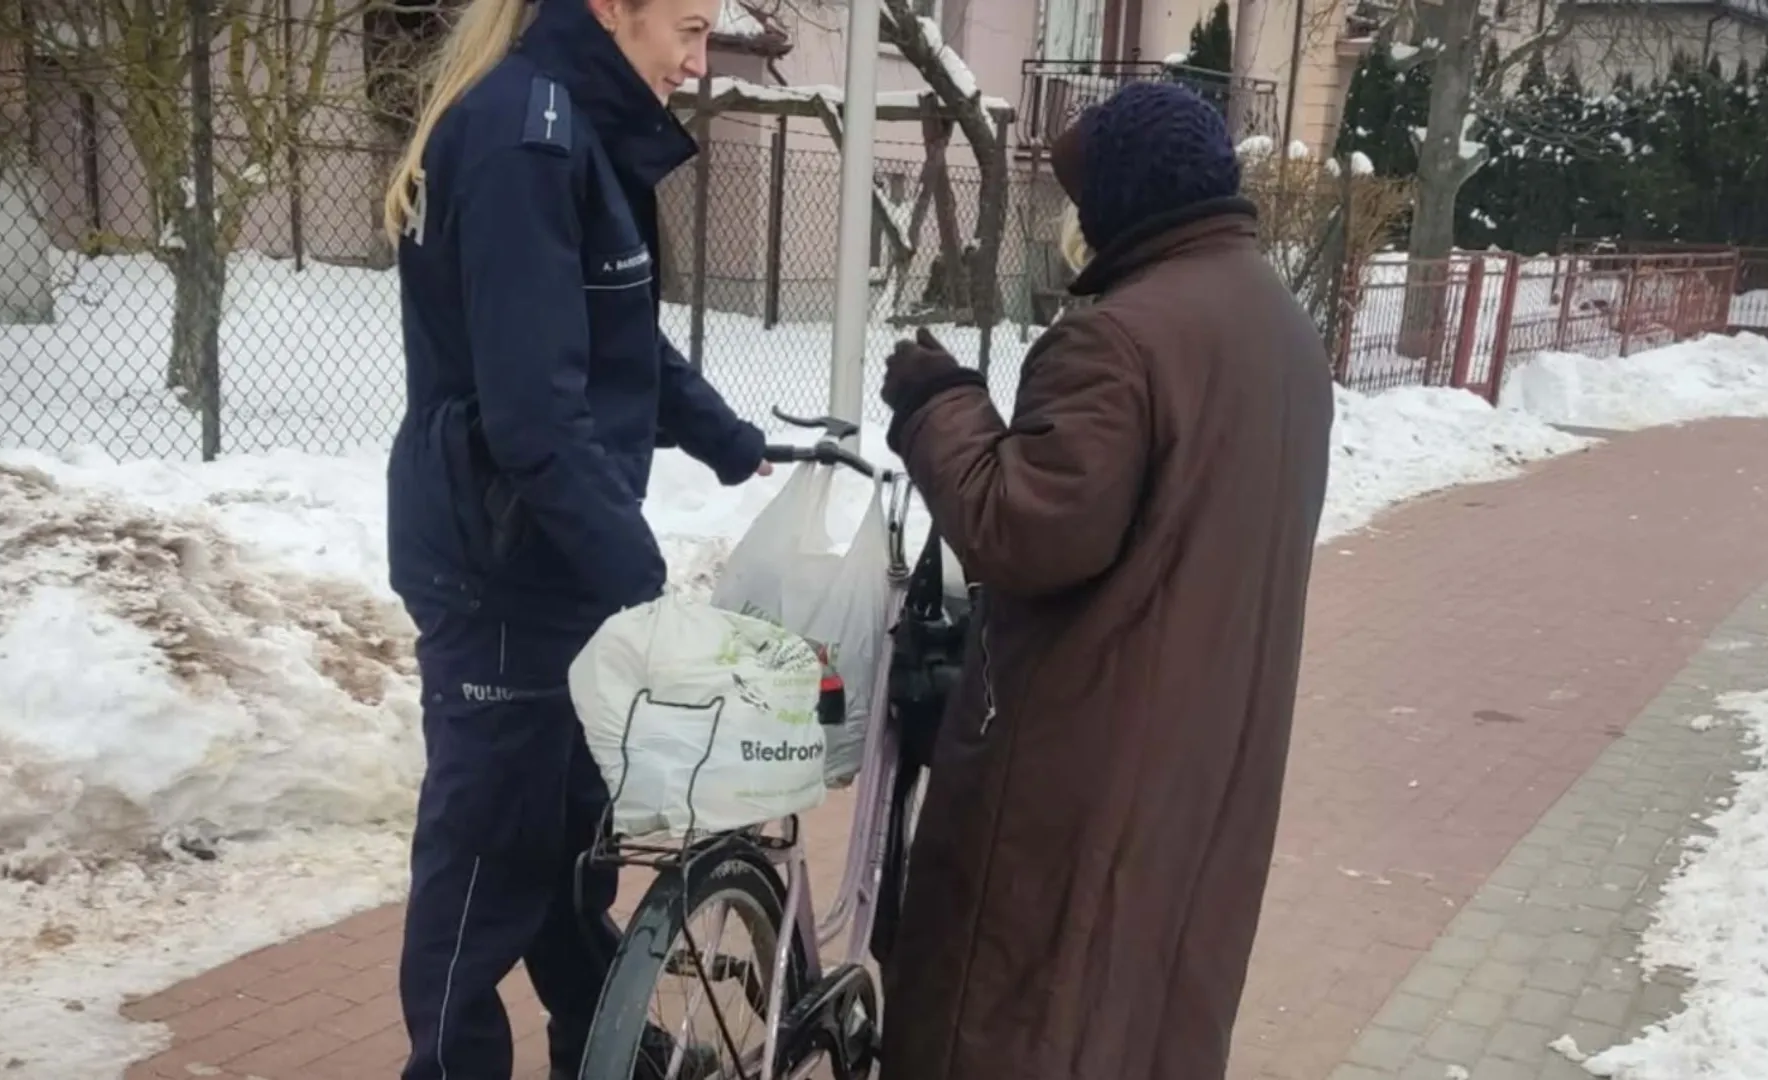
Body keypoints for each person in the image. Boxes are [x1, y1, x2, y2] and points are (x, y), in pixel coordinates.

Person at [875, 81, 1335, 1080]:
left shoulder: (1118, 339)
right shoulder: (1284, 330)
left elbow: (1024, 527)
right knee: (1148, 1013)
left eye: (1081, 202)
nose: (1072, 225)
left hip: (1081, 765)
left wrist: (937, 405)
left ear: (1120, 202)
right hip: (1208, 753)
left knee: (1019, 1013)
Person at [378, 0, 767, 1076]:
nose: (698, 62)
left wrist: (728, 440)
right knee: (482, 873)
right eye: (687, 30)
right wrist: (637, 579)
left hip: (555, 558)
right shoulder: (523, 140)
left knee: (567, 856)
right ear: (611, 9)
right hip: (501, 565)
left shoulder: (576, 127)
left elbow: (613, 330)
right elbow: (534, 415)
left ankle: (602, 1054)